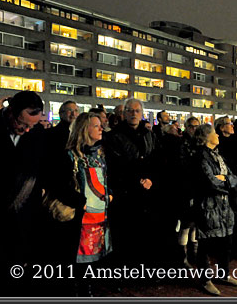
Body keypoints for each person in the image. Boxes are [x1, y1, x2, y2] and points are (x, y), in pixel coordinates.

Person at [0, 90, 45, 296]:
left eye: (32, 125)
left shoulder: (37, 134)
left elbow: (38, 169)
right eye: (22, 124)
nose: (26, 130)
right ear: (11, 113)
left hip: (23, 212)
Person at [50, 112, 113, 295]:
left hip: (100, 217)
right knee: (77, 262)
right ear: (84, 129)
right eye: (96, 126)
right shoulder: (69, 156)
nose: (101, 128)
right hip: (79, 219)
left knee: (93, 261)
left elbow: (110, 179)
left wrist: (110, 194)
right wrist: (80, 203)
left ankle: (87, 290)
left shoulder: (102, 154)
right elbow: (59, 184)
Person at [102, 98, 160, 268]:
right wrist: (137, 180)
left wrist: (151, 179)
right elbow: (116, 164)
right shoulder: (114, 135)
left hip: (147, 190)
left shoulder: (149, 135)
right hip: (126, 191)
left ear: (142, 114)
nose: (133, 114)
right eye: (130, 111)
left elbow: (156, 159)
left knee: (145, 231)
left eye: (137, 111)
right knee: (125, 232)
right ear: (124, 113)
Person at [193, 124, 237, 295]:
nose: (218, 135)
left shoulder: (217, 155)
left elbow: (234, 178)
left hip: (223, 207)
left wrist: (225, 180)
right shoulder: (201, 157)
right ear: (207, 137)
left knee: (226, 243)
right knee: (205, 244)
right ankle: (204, 279)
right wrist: (227, 182)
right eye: (214, 133)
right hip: (208, 206)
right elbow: (210, 182)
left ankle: (223, 274)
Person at [177, 116, 201, 268]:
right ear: (186, 127)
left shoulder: (198, 143)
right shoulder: (182, 144)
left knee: (195, 225)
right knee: (186, 224)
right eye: (192, 126)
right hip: (186, 189)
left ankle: (193, 254)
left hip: (197, 188)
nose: (194, 129)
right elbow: (182, 166)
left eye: (197, 126)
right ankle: (182, 257)